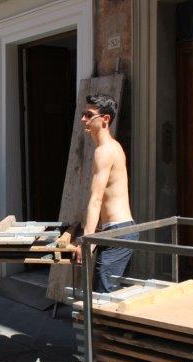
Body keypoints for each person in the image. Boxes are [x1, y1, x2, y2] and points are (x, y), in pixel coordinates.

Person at [74, 94, 139, 293]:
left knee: (103, 299)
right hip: (119, 231)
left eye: (88, 115)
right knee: (111, 297)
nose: (83, 119)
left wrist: (86, 242)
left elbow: (96, 200)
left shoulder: (104, 151)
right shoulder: (112, 147)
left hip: (118, 233)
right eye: (83, 114)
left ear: (105, 119)